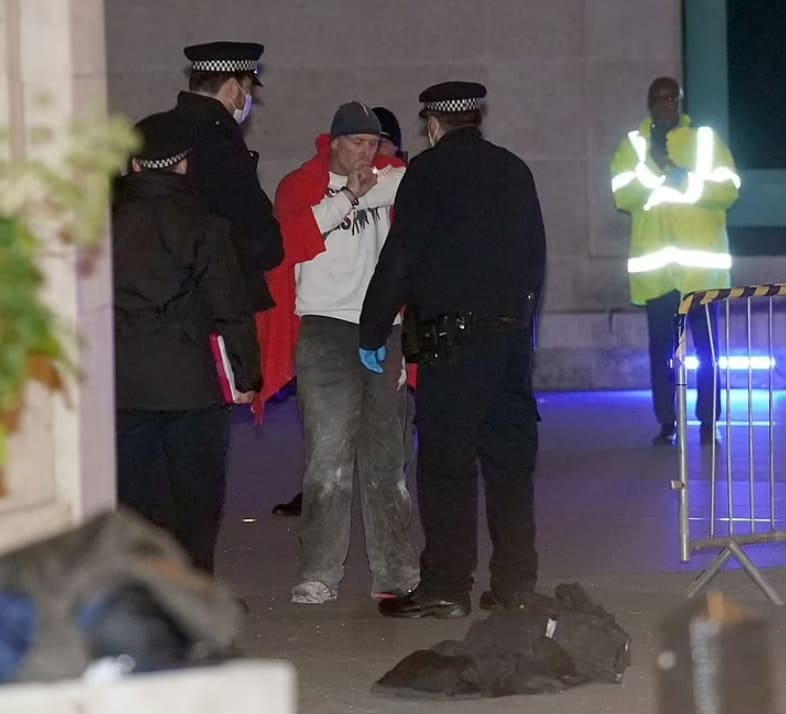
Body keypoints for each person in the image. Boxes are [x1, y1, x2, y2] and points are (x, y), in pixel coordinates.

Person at [358, 81, 547, 619]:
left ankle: (445, 585)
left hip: (453, 344)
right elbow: (536, 256)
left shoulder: (428, 173)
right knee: (509, 463)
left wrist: (372, 330)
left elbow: (402, 257)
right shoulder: (514, 169)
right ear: (475, 118)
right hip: (509, 341)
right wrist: (520, 329)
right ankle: (514, 584)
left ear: (433, 124)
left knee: (445, 464)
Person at [255, 101, 419, 604]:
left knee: (387, 459)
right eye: (356, 144)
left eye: (373, 145)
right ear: (334, 142)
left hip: (382, 331)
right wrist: (348, 195)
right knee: (327, 457)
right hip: (324, 330)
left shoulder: (391, 178)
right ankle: (320, 573)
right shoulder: (302, 186)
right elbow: (292, 239)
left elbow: (423, 185)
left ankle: (394, 572)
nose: (366, 154)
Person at [113, 110, 262, 574]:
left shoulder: (99, 227)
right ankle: (193, 603)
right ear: (183, 165)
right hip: (192, 387)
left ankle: (143, 603)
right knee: (195, 506)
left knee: (134, 505)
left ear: (134, 166)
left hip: (122, 388)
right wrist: (247, 374)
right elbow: (230, 308)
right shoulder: (207, 228)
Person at [610, 77, 740, 446]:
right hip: (658, 274)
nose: (666, 103)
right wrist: (657, 169)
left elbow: (728, 189)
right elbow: (623, 195)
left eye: (672, 97)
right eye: (659, 98)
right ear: (649, 103)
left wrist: (685, 180)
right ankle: (667, 422)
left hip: (701, 272)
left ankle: (708, 421)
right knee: (663, 354)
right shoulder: (633, 146)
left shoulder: (705, 141)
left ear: (681, 102)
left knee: (708, 352)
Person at [172, 41, 284, 313]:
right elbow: (251, 222)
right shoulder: (222, 141)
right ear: (233, 89)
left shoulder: (157, 132)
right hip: (219, 296)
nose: (248, 100)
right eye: (247, 90)